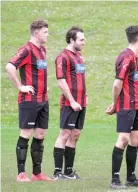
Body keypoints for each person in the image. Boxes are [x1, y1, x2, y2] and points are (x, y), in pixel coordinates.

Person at [6, 20, 54, 182]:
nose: (48, 34)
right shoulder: (26, 49)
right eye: (45, 32)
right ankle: (21, 174)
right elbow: (10, 67)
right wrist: (21, 87)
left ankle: (37, 173)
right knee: (26, 134)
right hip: (29, 100)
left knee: (40, 134)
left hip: (43, 100)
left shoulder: (43, 50)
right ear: (36, 33)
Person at [106, 25, 138, 189]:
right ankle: (115, 180)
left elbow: (132, 83)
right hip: (126, 106)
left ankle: (131, 178)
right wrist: (115, 104)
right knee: (123, 139)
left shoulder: (134, 57)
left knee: (136, 140)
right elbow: (117, 85)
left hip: (135, 105)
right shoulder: (126, 57)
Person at [52, 27, 87, 180]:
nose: (84, 42)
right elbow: (61, 81)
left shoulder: (79, 57)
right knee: (65, 134)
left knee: (76, 134)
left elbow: (80, 79)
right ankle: (57, 172)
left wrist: (84, 97)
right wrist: (72, 100)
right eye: (81, 39)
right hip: (69, 103)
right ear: (72, 40)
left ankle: (68, 171)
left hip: (81, 102)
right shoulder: (63, 57)